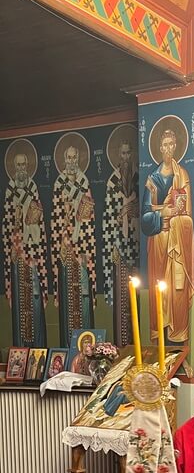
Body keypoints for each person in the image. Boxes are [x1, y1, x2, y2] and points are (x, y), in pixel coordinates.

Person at [141, 127, 194, 344]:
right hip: (158, 241)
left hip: (176, 242)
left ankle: (177, 338)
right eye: (164, 145)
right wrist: (162, 213)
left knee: (176, 291)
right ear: (159, 148)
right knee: (159, 291)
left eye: (172, 144)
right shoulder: (152, 179)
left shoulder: (182, 176)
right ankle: (160, 342)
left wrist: (175, 219)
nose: (168, 148)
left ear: (176, 147)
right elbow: (145, 217)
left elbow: (188, 216)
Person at [2, 150, 49, 347]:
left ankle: (38, 346)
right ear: (14, 168)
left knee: (34, 301)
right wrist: (12, 242)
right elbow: (6, 223)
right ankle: (21, 351)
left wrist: (29, 224)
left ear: (27, 166)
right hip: (17, 257)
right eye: (18, 165)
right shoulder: (9, 191)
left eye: (23, 165)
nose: (21, 169)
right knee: (20, 305)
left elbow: (39, 221)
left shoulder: (33, 188)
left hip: (32, 255)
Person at [51, 142, 97, 345]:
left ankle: (86, 344)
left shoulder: (84, 182)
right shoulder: (59, 183)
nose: (71, 161)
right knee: (67, 296)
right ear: (64, 160)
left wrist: (83, 242)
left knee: (83, 295)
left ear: (78, 159)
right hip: (65, 246)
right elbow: (56, 216)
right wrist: (62, 238)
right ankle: (67, 344)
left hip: (82, 246)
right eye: (68, 158)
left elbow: (89, 218)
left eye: (74, 157)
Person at [102, 137, 140, 341]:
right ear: (118, 155)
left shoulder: (138, 178)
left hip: (136, 246)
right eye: (123, 153)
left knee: (137, 297)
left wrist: (133, 211)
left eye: (128, 153)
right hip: (119, 245)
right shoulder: (112, 182)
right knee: (121, 298)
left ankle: (136, 343)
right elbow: (108, 216)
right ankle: (121, 344)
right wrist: (119, 216)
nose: (126, 157)